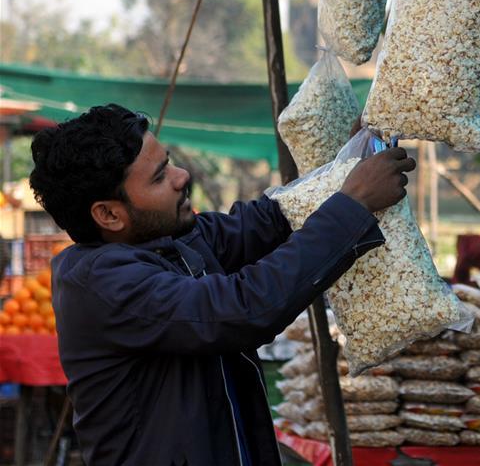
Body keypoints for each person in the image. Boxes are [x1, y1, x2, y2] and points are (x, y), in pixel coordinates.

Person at [29, 104, 415, 466]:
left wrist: (347, 163)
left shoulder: (175, 240)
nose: (182, 177)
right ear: (110, 214)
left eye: (170, 164)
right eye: (160, 177)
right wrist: (353, 203)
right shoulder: (101, 283)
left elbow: (268, 220)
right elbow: (241, 309)